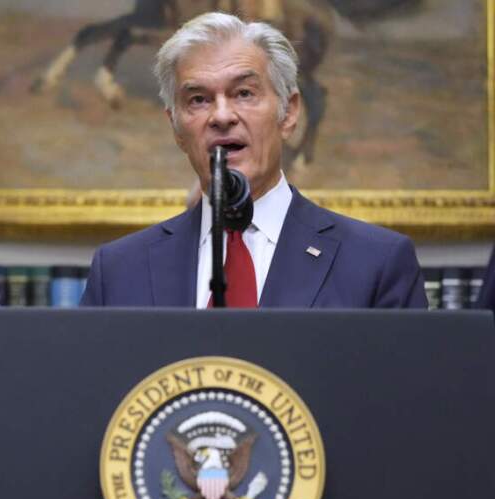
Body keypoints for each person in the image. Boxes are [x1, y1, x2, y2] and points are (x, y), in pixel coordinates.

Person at [81, 12, 427, 309]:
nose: (221, 116)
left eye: (244, 93)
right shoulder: (119, 270)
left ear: (289, 113)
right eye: (198, 99)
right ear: (176, 127)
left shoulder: (376, 263)